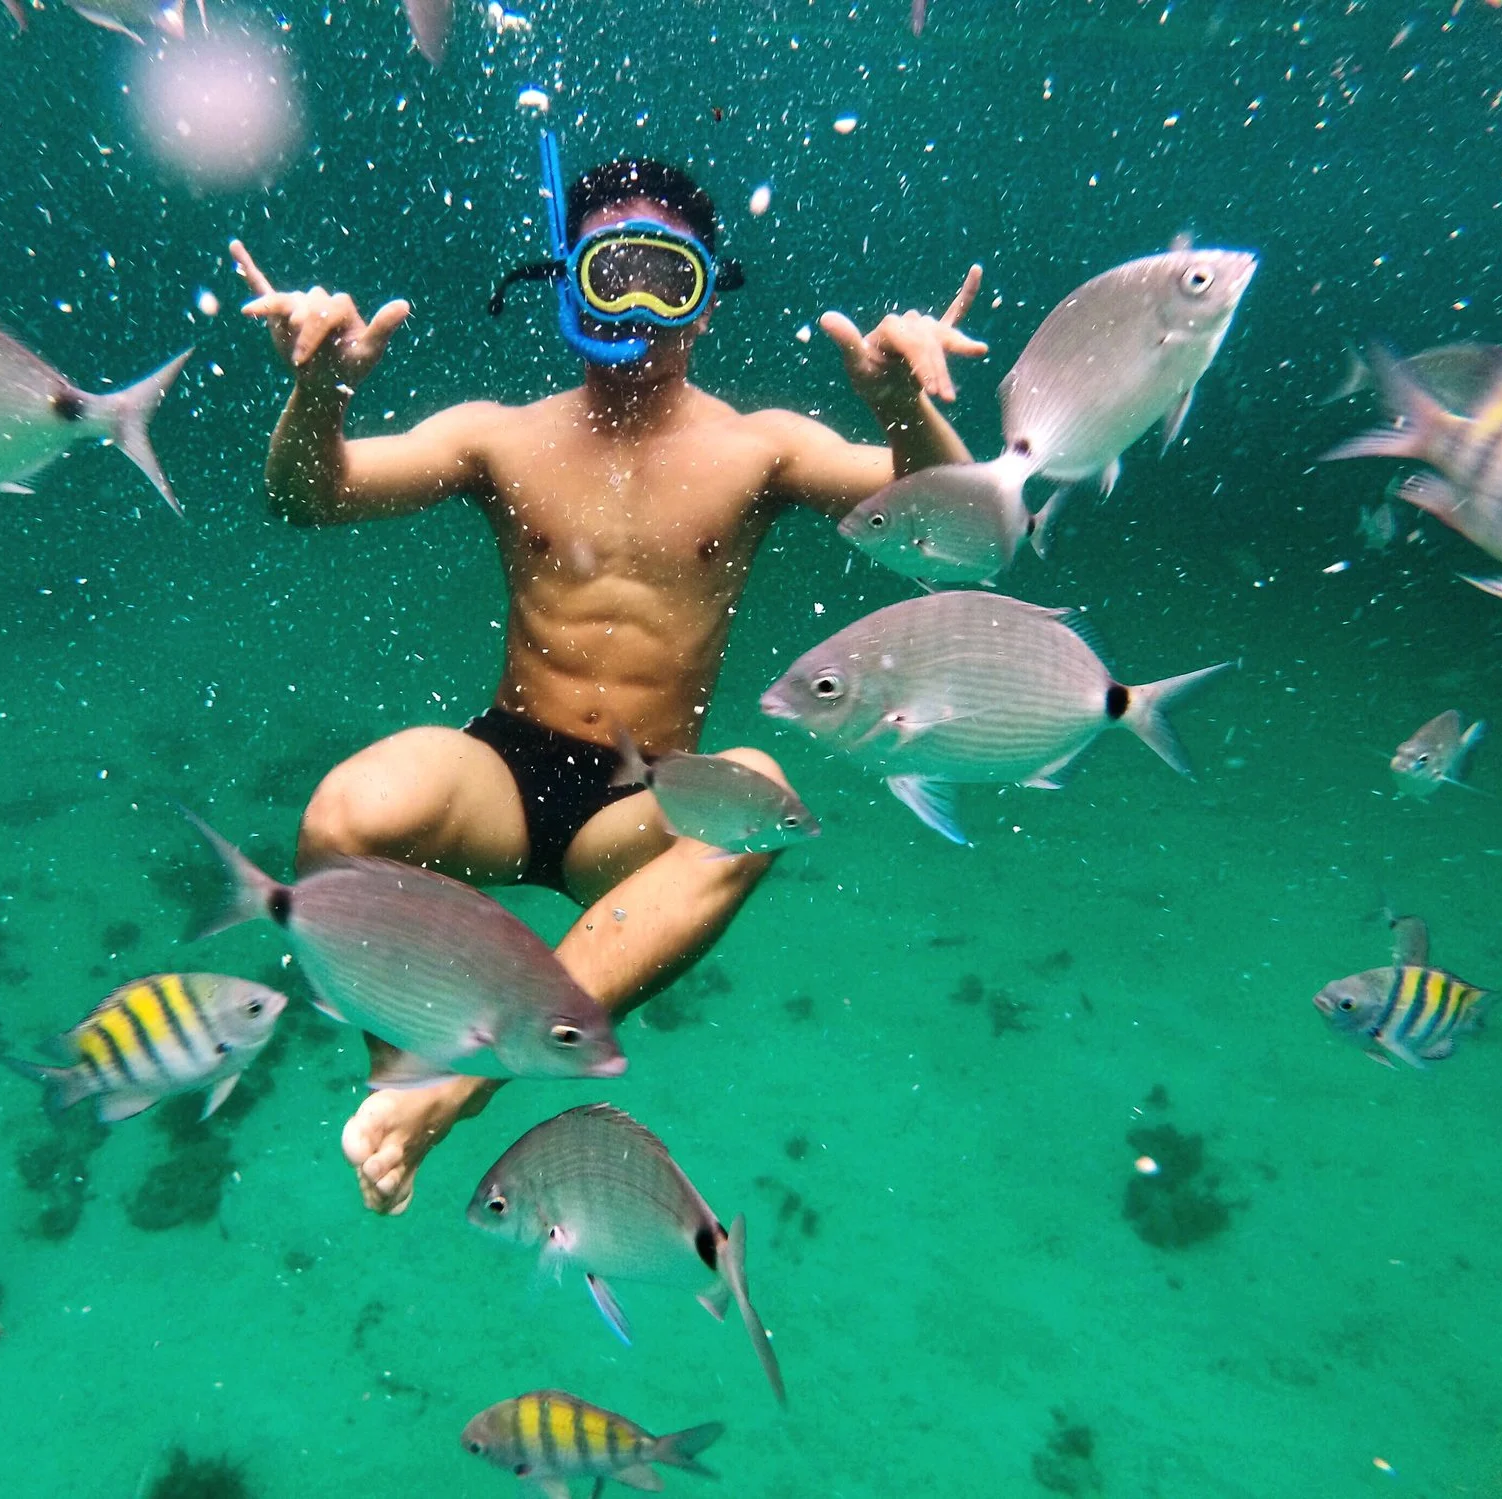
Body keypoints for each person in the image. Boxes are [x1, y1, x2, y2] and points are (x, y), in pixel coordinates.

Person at [231, 138, 984, 1215]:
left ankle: (461, 1079)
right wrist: (321, 391)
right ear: (560, 285)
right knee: (347, 809)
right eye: (604, 273)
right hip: (499, 768)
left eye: (662, 277)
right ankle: (401, 1067)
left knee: (757, 796)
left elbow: (949, 528)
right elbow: (311, 495)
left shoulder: (759, 448)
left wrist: (905, 403)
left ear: (706, 303)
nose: (633, 308)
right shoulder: (501, 438)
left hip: (642, 804)